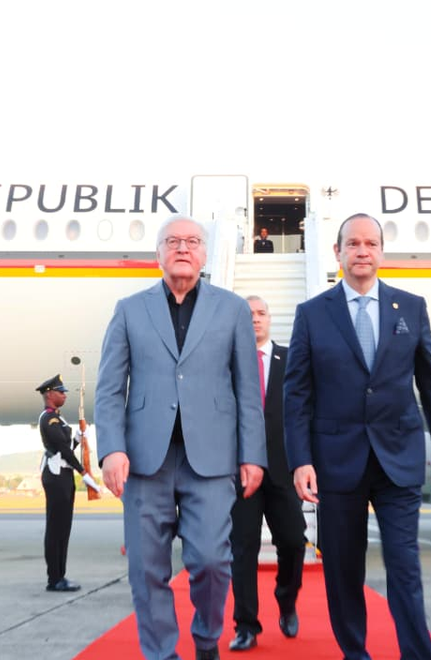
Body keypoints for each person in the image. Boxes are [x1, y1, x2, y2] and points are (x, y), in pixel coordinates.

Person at [284, 212, 431, 660]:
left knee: (404, 566)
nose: (362, 251)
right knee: (343, 571)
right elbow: (296, 394)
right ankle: (355, 653)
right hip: (336, 463)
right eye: (353, 244)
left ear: (381, 252)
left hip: (398, 458)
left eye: (370, 243)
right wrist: (300, 459)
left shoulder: (410, 307)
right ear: (338, 253)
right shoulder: (312, 314)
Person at [96, 215, 266, 660]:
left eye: (192, 241)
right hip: (145, 461)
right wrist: (111, 448)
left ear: (205, 254)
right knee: (146, 569)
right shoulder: (129, 310)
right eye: (173, 241)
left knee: (212, 561)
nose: (183, 248)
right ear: (158, 254)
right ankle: (162, 653)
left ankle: (206, 639)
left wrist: (254, 455)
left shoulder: (230, 310)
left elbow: (248, 389)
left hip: (210, 460)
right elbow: (110, 388)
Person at [228, 296, 306, 652]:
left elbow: (306, 412)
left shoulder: (290, 359)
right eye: (248, 314)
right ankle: (246, 625)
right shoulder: (226, 362)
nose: (255, 319)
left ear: (270, 319)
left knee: (292, 541)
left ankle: (286, 598)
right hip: (240, 471)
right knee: (242, 549)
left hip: (282, 469)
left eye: (261, 313)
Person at [36, 373, 102, 593]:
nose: (64, 395)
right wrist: (83, 471)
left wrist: (77, 438)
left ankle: (60, 575)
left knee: (63, 527)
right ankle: (54, 578)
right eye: (60, 392)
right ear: (49, 394)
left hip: (63, 476)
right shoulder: (49, 418)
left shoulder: (58, 418)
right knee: (56, 528)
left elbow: (67, 446)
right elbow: (62, 450)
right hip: (55, 476)